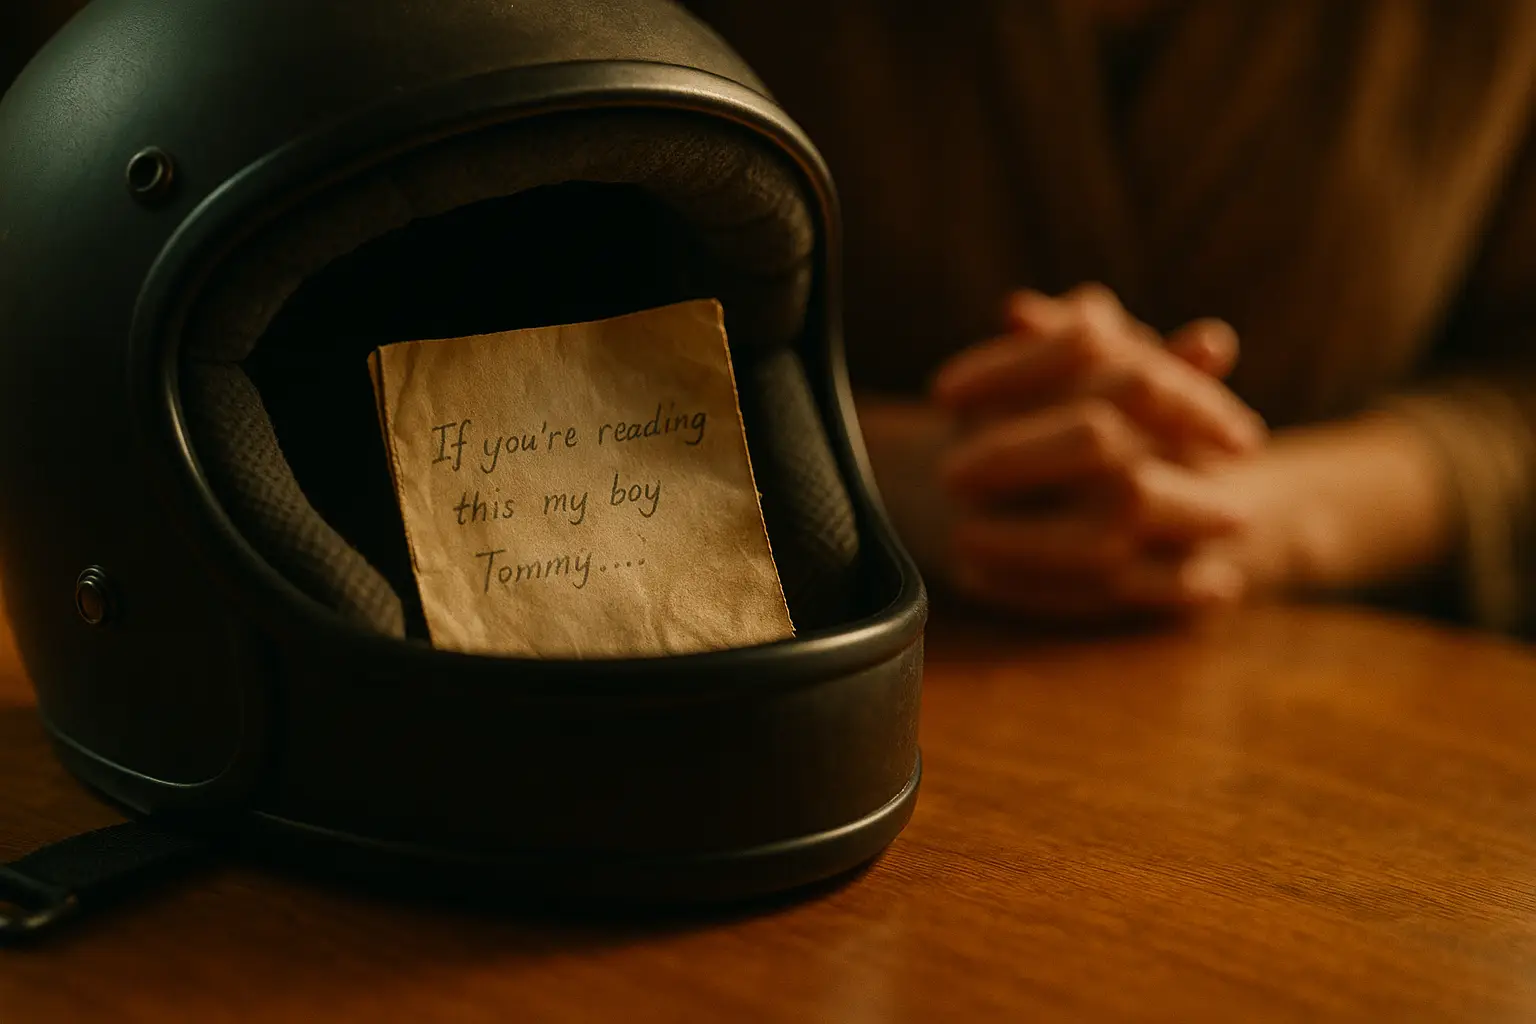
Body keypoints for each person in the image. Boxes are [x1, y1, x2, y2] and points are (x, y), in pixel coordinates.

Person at [686, 0, 1536, 635]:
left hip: (1356, 743)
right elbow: (574, 332)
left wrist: (1261, 517)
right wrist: (859, 477)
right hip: (781, 706)